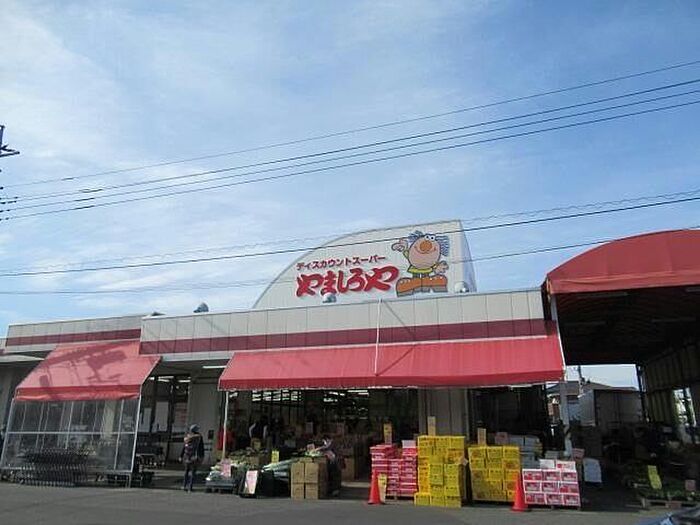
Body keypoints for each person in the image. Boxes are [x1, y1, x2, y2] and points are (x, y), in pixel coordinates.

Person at [180, 424, 205, 492]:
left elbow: (184, 446)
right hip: (194, 457)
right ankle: (190, 487)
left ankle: (184, 486)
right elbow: (201, 447)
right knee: (193, 473)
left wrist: (181, 455)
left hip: (187, 457)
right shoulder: (199, 437)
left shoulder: (187, 437)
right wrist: (201, 455)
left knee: (186, 472)